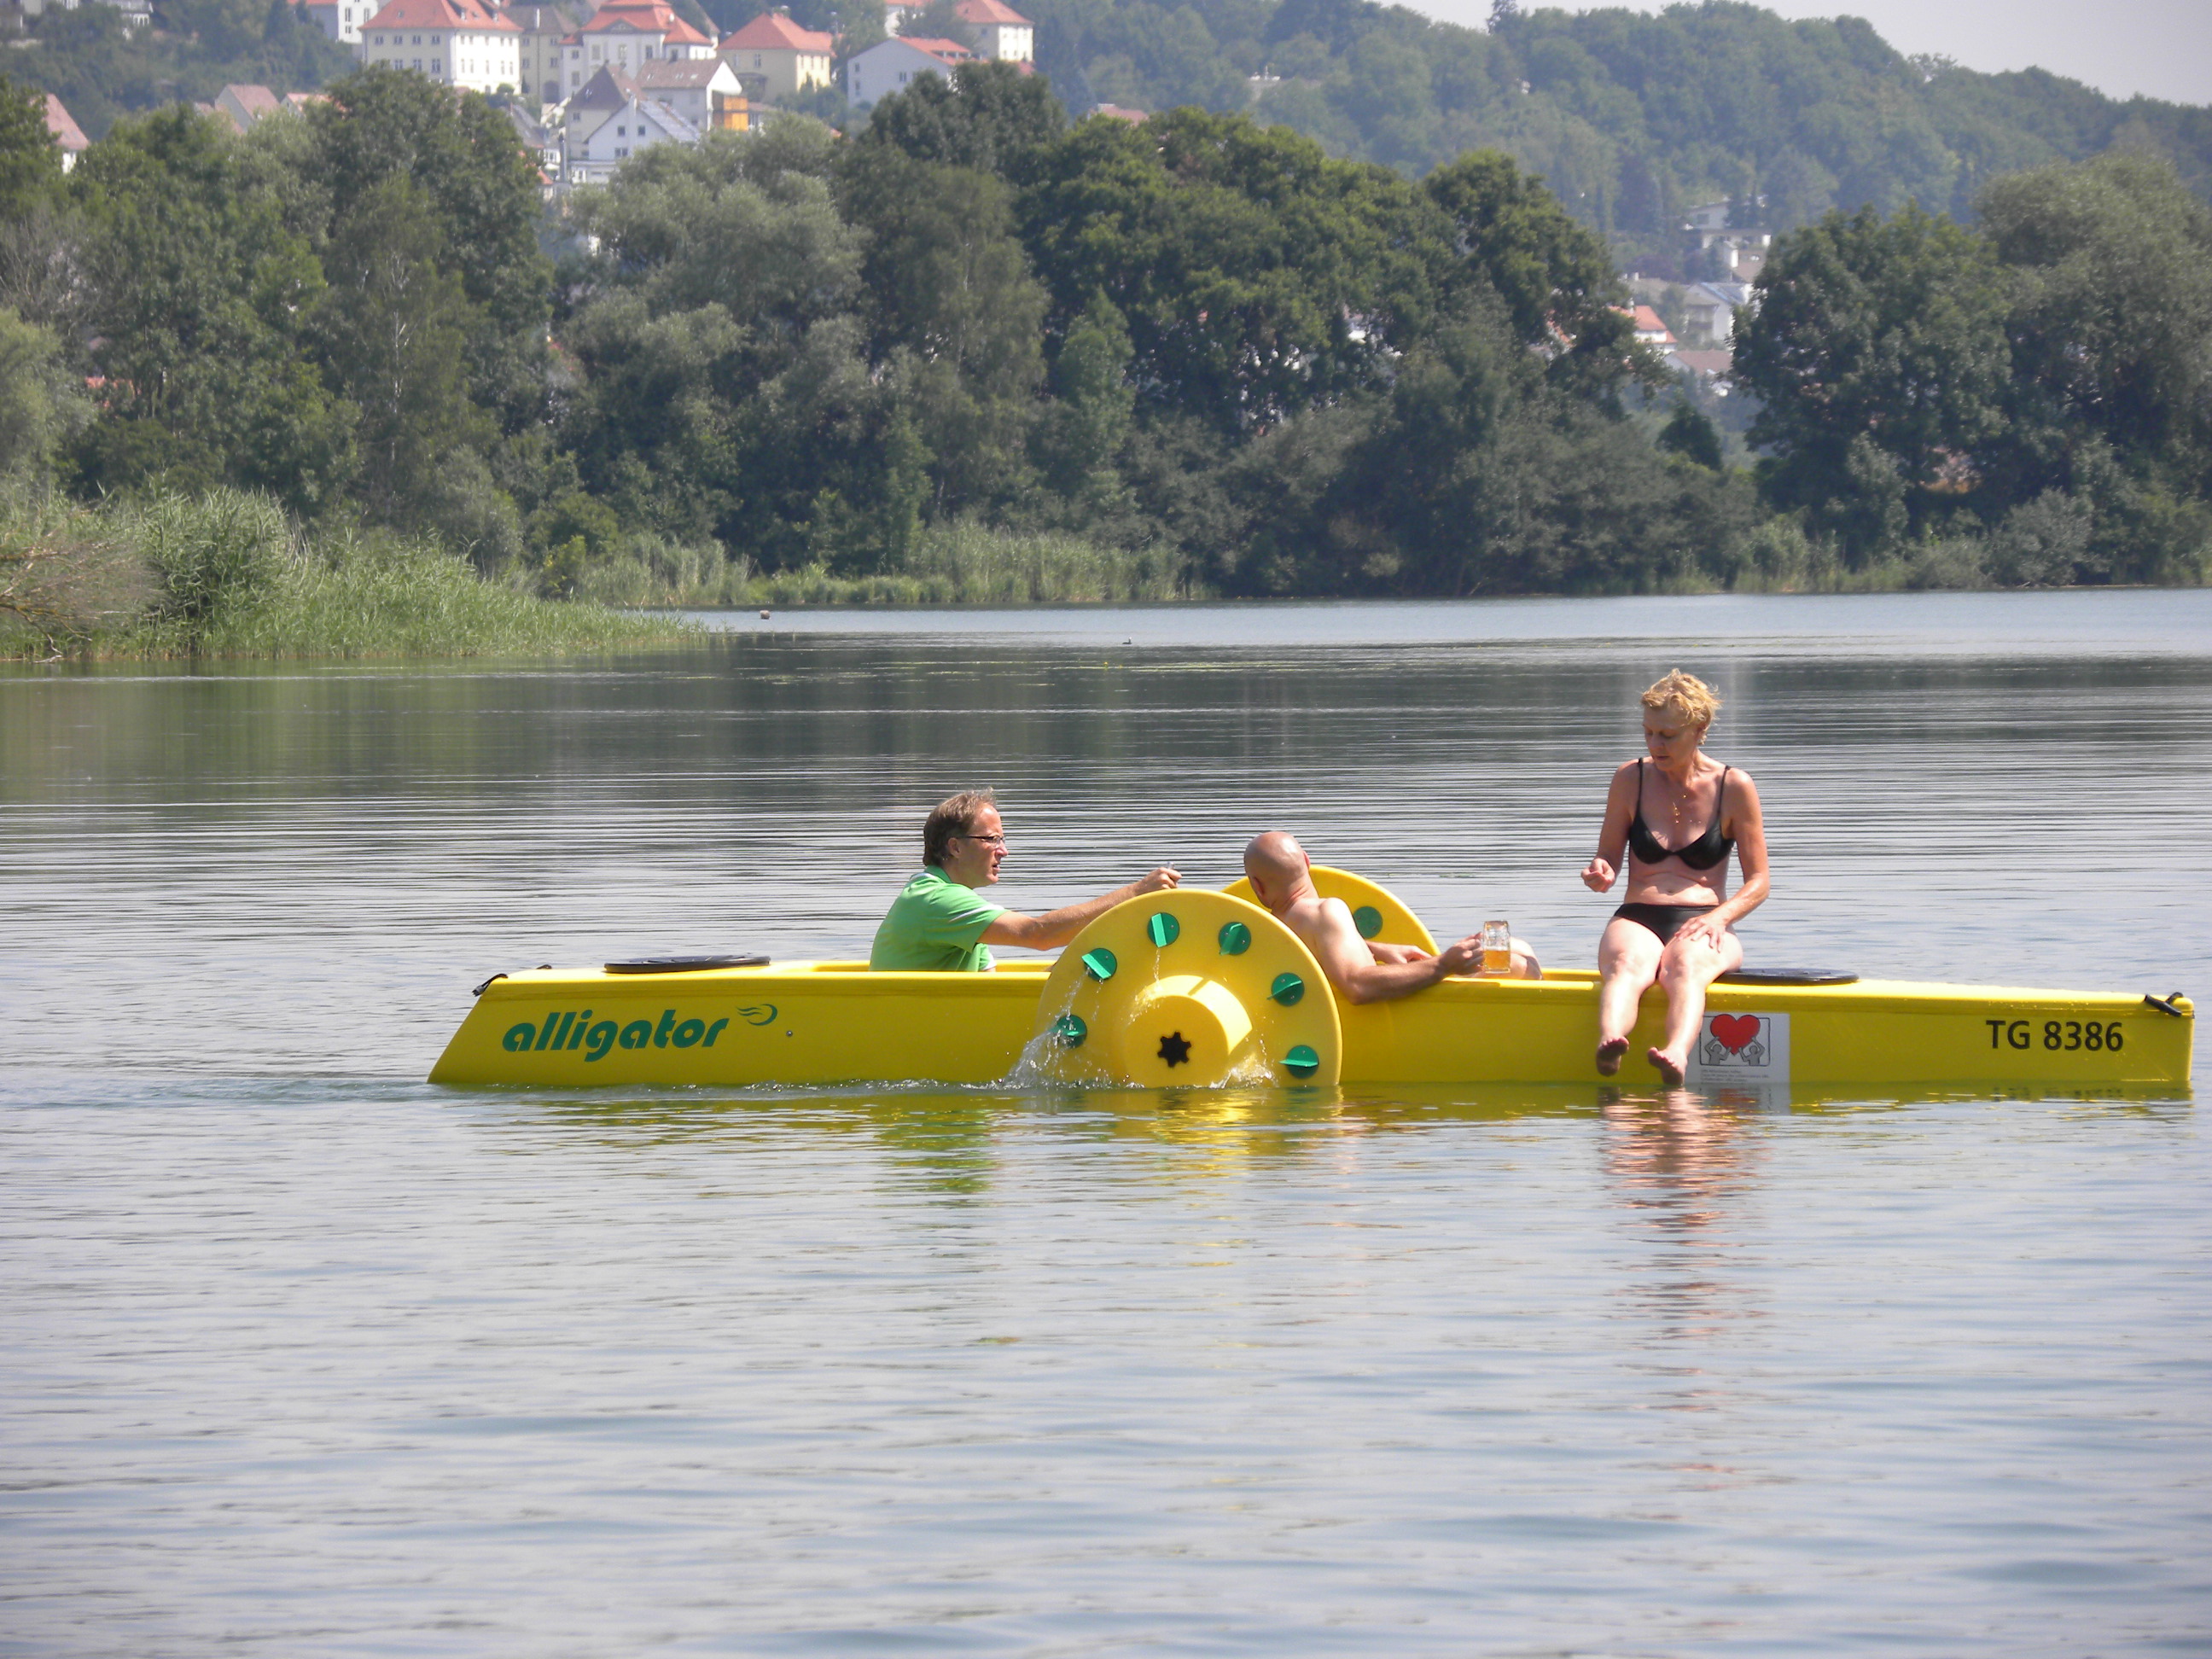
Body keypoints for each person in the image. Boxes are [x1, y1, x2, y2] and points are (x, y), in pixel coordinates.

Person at [1580, 670, 1769, 1085]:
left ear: (1699, 729)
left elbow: (1760, 882)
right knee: (1628, 964)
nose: (1655, 745)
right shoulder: (1630, 778)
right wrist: (1601, 871)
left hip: (1705, 920)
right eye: (1648, 733)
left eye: (1667, 735)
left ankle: (1676, 1054)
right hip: (1638, 914)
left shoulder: (1733, 785)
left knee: (1683, 967)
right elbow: (1607, 854)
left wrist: (1719, 918)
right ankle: (1611, 1040)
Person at [870, 789, 1180, 971]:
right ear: (955, 847)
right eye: (991, 839)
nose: (1004, 851)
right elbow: (1037, 935)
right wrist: (1136, 893)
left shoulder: (955, 908)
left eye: (1002, 839)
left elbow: (990, 982)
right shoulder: (937, 900)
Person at [1241, 831, 1540, 1004]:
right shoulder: (1325, 910)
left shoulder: (1273, 927)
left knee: (1512, 948)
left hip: (1335, 1007)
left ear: (1258, 885)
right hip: (1389, 1013)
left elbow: (1315, 952)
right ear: (1307, 860)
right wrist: (1443, 964)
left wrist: (1375, 947)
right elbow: (1357, 986)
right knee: (1518, 960)